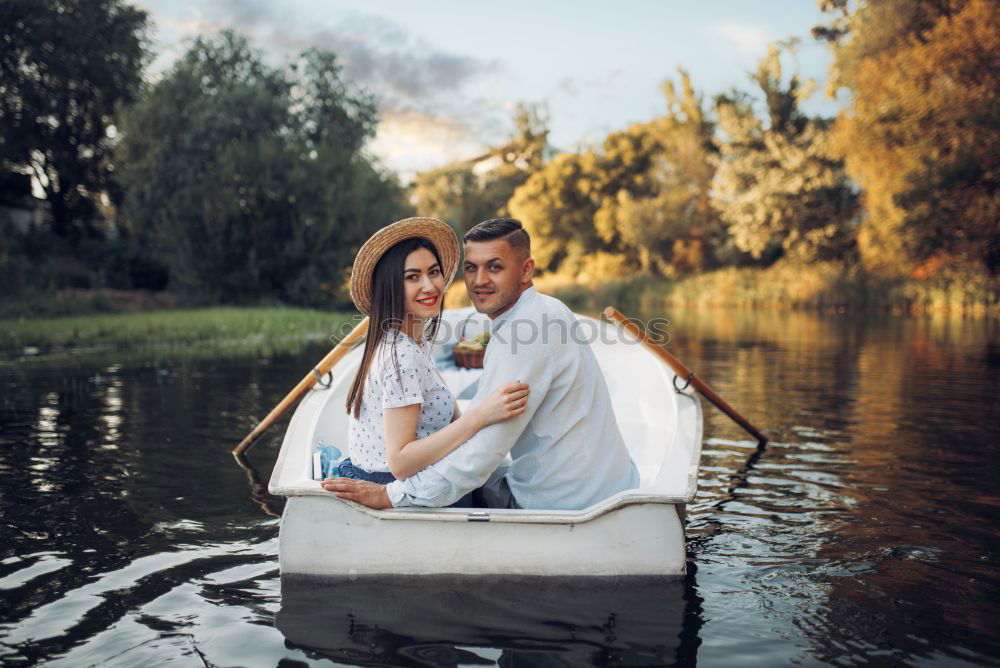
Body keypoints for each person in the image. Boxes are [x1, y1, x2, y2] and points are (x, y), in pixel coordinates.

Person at [323, 217, 640, 510]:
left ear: (526, 270)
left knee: (475, 475)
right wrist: (477, 416)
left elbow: (481, 454)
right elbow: (458, 443)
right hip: (603, 485)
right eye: (471, 268)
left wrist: (391, 496)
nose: (479, 281)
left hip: (563, 503)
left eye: (495, 267)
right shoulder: (548, 310)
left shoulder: (521, 335)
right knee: (473, 474)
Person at [333, 217, 530, 493]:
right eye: (412, 277)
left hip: (400, 477)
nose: (430, 286)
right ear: (391, 286)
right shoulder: (400, 355)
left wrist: (486, 413)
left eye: (434, 272)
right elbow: (400, 462)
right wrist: (481, 416)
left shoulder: (415, 343)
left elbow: (454, 419)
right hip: (392, 486)